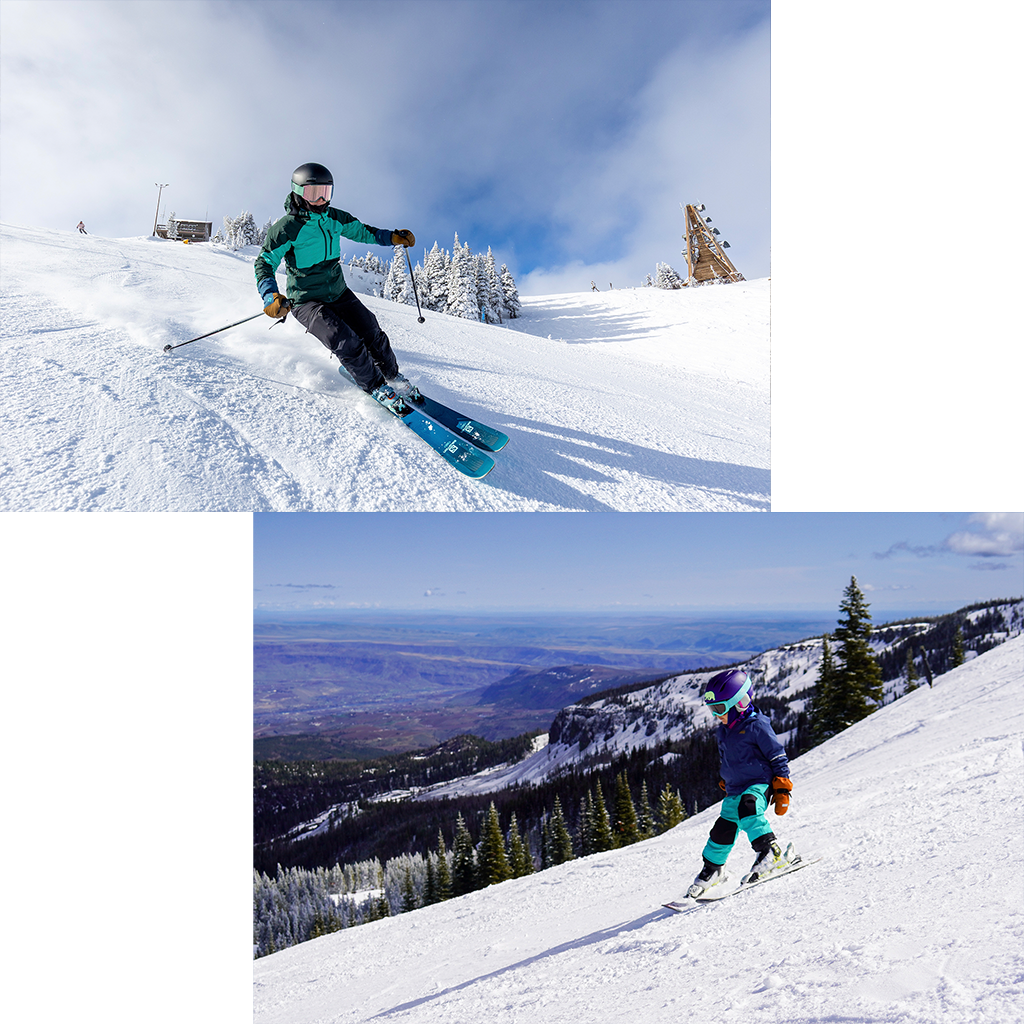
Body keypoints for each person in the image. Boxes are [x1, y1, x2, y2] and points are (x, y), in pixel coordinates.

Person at [255, 162, 417, 409]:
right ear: (298, 192)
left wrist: (392, 237)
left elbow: (364, 232)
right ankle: (376, 387)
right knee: (344, 340)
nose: (320, 200)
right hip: (306, 300)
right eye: (312, 193)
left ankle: (393, 376)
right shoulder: (287, 228)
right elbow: (265, 261)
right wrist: (270, 296)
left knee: (371, 330)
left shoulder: (335, 218)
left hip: (339, 292)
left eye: (326, 193)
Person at [687, 669, 795, 897]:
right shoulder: (723, 731)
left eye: (719, 708)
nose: (716, 715)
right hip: (735, 788)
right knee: (723, 828)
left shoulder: (757, 726)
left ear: (740, 703)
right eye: (712, 709)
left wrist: (783, 787)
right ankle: (714, 868)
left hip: (758, 784)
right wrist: (727, 778)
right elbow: (728, 758)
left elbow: (777, 755)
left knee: (749, 807)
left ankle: (770, 853)